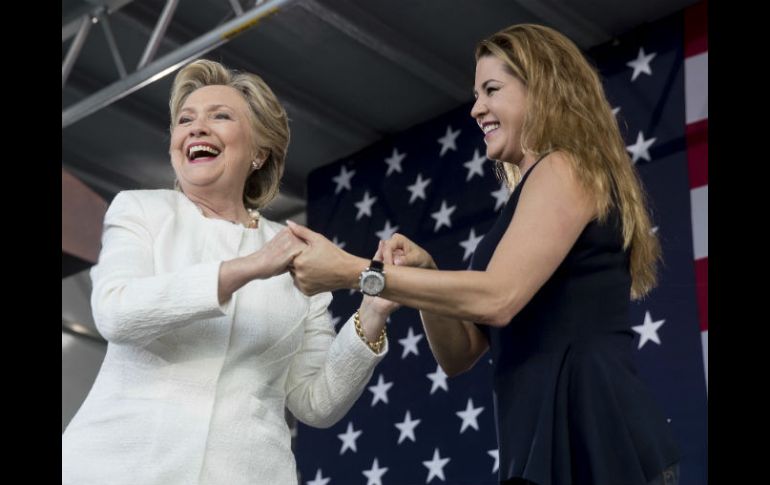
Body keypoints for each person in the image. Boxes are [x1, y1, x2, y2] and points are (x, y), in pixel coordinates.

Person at [285, 24, 681, 485]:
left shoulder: (565, 167)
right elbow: (461, 353)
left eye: (492, 89)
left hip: (596, 435)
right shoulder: (529, 196)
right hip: (541, 438)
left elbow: (499, 298)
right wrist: (425, 275)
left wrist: (356, 272)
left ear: (545, 88)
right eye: (477, 94)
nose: (476, 108)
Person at [61, 59, 395, 485]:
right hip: (118, 468)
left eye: (220, 116)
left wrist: (371, 315)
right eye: (185, 120)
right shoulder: (140, 210)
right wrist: (249, 267)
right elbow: (116, 313)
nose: (197, 128)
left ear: (258, 152)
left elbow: (316, 402)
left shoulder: (297, 249)